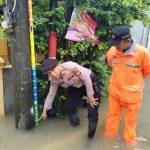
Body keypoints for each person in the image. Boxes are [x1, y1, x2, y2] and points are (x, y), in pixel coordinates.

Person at [104, 25, 150, 145]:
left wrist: (131, 85)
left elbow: (146, 72)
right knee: (112, 120)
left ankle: (129, 145)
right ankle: (107, 144)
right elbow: (111, 65)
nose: (115, 46)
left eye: (117, 43)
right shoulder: (112, 52)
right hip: (115, 93)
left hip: (132, 97)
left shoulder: (143, 53)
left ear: (127, 41)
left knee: (130, 125)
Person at [40, 59, 100, 139]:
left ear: (58, 66)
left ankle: (90, 138)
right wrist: (45, 110)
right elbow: (51, 94)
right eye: (49, 73)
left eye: (53, 70)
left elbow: (86, 78)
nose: (53, 74)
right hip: (76, 86)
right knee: (70, 107)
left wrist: (90, 95)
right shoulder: (54, 79)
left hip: (90, 81)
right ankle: (75, 127)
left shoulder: (70, 67)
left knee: (92, 110)